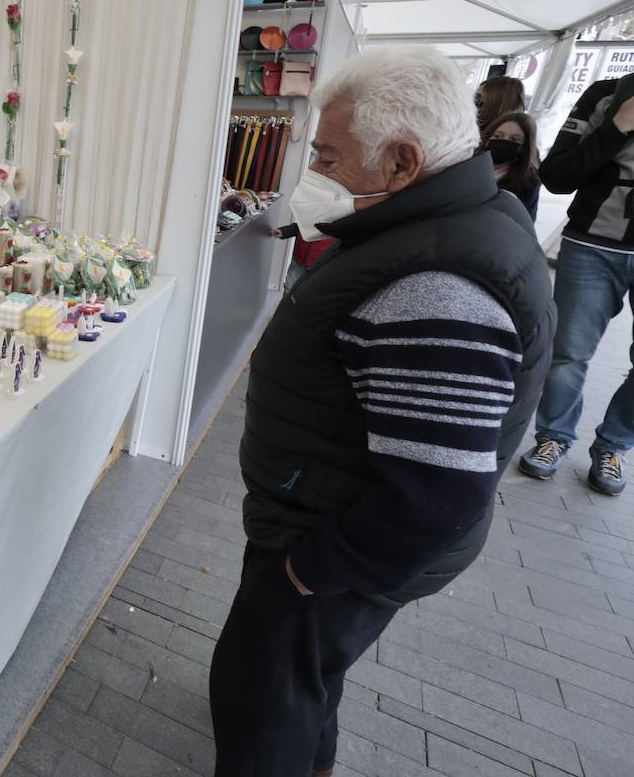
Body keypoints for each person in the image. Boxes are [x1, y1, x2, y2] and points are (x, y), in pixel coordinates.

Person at [208, 47, 554, 777]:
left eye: (330, 157)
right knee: (304, 684)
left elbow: (438, 494)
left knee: (264, 697)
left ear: (400, 163)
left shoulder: (437, 282)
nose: (316, 174)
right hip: (328, 520)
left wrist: (309, 569)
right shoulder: (442, 227)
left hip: (332, 548)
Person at [519, 74, 634, 495]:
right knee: (569, 354)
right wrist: (616, 128)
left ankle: (614, 445)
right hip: (591, 244)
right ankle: (552, 438)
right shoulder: (606, 94)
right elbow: (557, 176)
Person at [479, 110, 541, 219]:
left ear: (525, 147)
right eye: (498, 136)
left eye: (514, 139)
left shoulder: (528, 181)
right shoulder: (470, 164)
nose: (503, 142)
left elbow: (525, 221)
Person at [270, 222, 333, 287]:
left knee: (313, 289)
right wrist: (284, 231)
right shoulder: (312, 213)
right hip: (299, 258)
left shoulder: (339, 216)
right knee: (290, 286)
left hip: (320, 263)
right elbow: (301, 225)